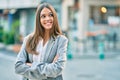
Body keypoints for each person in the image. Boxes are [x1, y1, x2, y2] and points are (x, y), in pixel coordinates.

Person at [15, 2, 68, 80]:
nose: (48, 19)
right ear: (38, 20)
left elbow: (58, 69)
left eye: (50, 15)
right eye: (43, 16)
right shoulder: (28, 39)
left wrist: (31, 65)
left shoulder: (61, 40)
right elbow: (18, 67)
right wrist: (48, 68)